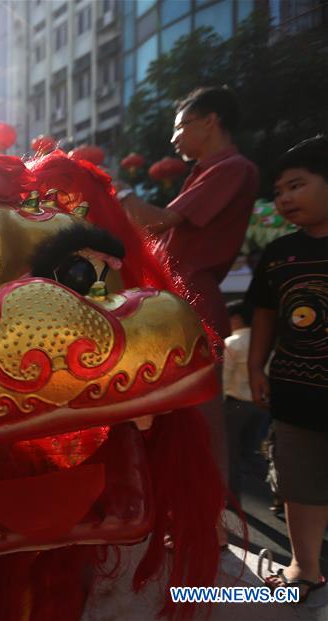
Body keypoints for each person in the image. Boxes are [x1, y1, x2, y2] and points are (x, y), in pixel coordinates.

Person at [117, 86, 259, 509]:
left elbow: (157, 223)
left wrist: (118, 191)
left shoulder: (232, 168)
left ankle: (211, 515)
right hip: (175, 296)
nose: (174, 139)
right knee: (175, 412)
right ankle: (186, 508)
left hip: (194, 297)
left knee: (201, 414)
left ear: (210, 120)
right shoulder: (206, 173)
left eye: (181, 126)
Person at [247, 135, 328, 602]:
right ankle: (305, 567)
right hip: (295, 391)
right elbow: (263, 313)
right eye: (279, 192)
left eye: (296, 186)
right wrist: (257, 367)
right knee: (301, 483)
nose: (284, 199)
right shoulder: (278, 254)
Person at [222, 299, 268, 506]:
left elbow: (224, 376)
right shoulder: (265, 341)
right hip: (262, 405)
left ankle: (232, 499)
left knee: (231, 454)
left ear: (237, 318)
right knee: (252, 452)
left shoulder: (232, 343)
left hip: (235, 405)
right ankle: (280, 490)